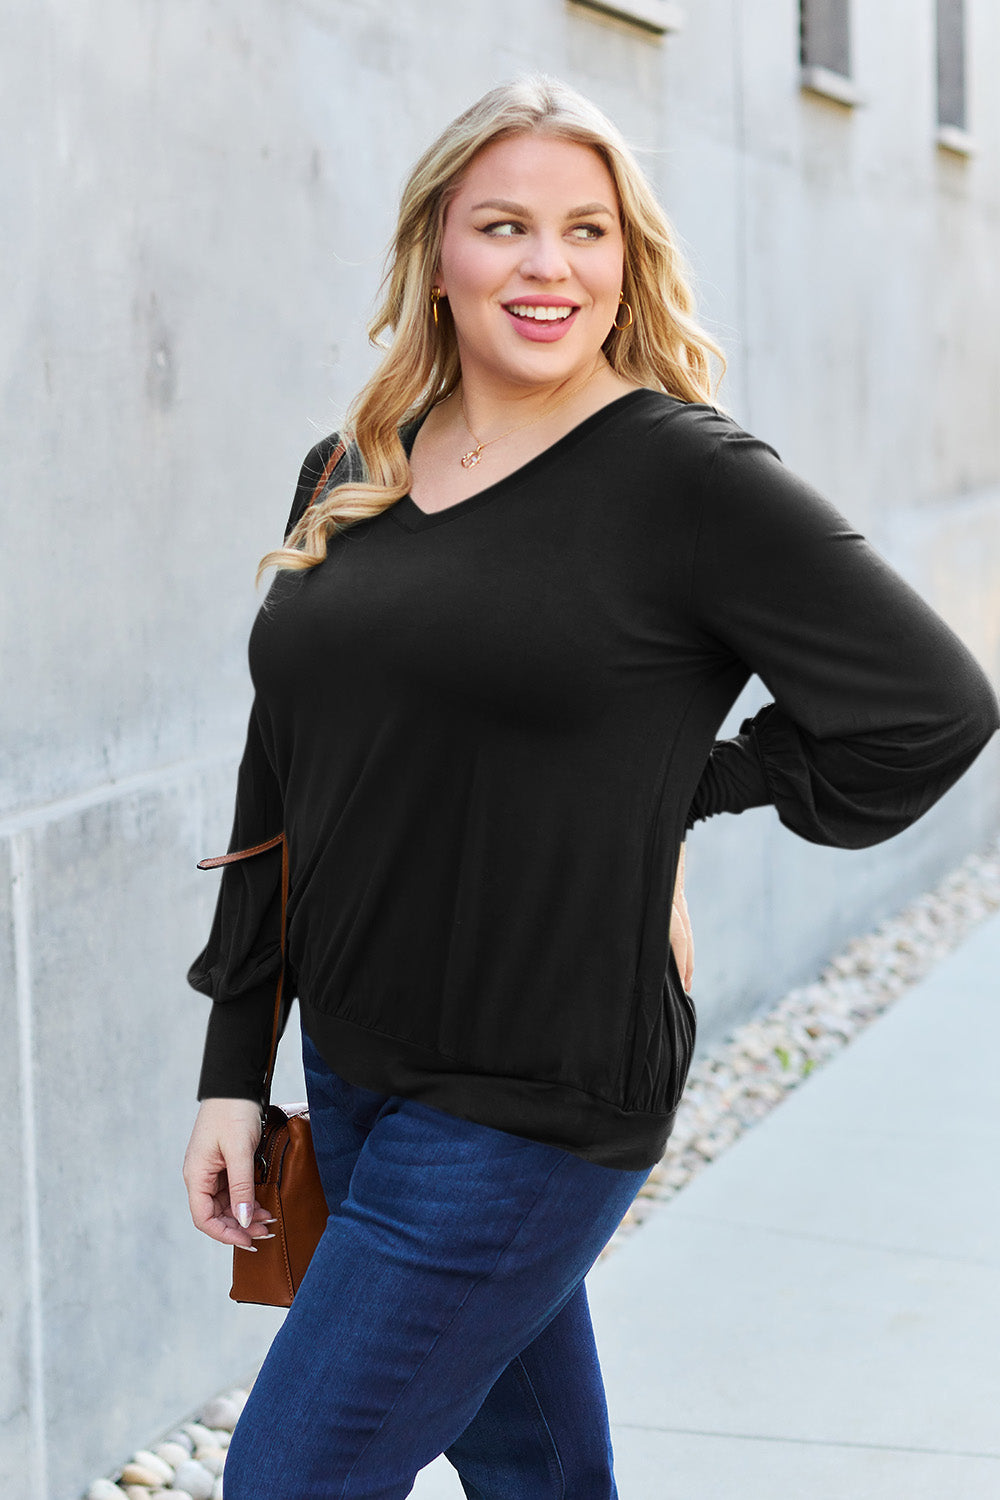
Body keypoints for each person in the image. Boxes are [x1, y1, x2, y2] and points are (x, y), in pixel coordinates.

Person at [182, 74, 998, 1500]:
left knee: (288, 1479)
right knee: (542, 1474)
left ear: (630, 258)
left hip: (539, 1093)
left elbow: (931, 708)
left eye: (587, 230)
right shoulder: (350, 468)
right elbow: (280, 774)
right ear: (437, 250)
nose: (548, 266)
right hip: (360, 1071)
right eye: (504, 226)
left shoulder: (687, 482)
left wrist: (687, 787)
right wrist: (231, 1071)